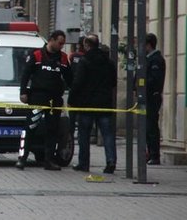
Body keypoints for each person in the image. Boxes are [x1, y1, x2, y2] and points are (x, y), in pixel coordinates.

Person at [16, 30, 71, 171]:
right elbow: (25, 75)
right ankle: (22, 158)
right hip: (38, 98)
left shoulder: (63, 58)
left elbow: (70, 79)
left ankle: (49, 160)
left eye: (63, 44)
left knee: (52, 130)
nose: (61, 46)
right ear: (51, 40)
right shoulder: (37, 55)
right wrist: (23, 92)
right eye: (60, 43)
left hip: (54, 100)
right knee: (30, 128)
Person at [68, 34, 117, 174]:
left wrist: (71, 100)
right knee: (108, 134)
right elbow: (113, 82)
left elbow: (77, 82)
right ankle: (111, 161)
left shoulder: (84, 61)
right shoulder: (109, 62)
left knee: (84, 134)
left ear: (87, 45)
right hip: (105, 103)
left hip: (87, 104)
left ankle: (84, 163)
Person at [145, 32, 166, 165]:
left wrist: (142, 85)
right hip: (148, 96)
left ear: (149, 45)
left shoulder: (156, 60)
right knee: (147, 127)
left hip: (152, 96)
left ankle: (154, 155)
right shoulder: (148, 58)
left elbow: (154, 80)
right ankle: (150, 153)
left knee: (151, 126)